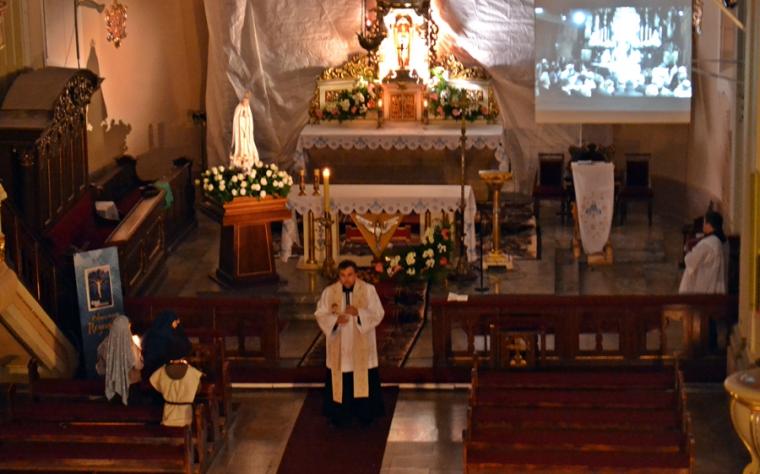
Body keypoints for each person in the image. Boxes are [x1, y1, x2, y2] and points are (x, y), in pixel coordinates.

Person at [315, 260, 385, 426]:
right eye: (342, 275)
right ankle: (340, 416)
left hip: (361, 346)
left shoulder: (368, 290)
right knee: (341, 379)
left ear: (356, 274)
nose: (346, 279)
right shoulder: (329, 292)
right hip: (340, 346)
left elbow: (378, 312)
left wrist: (359, 313)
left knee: (364, 378)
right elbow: (320, 314)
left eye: (350, 275)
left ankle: (365, 415)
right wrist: (335, 320)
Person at [149, 341, 203, 427]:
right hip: (186, 417)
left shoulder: (161, 371)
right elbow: (198, 389)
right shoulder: (192, 373)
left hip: (168, 416)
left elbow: (154, 384)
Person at [96, 315, 143, 405]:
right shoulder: (130, 344)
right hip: (131, 386)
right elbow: (138, 365)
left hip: (112, 386)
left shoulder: (104, 344)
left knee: (115, 409)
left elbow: (100, 368)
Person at [679, 211, 727, 294]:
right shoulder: (722, 241)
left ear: (709, 225)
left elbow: (690, 260)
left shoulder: (708, 243)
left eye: (704, 223)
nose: (703, 225)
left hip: (703, 288)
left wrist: (688, 250)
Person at [141, 310, 192, 382]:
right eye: (175, 322)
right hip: (161, 374)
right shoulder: (166, 335)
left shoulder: (152, 333)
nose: (176, 325)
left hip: (156, 373)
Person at [230, 91, 260, 170]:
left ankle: (247, 157)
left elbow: (250, 123)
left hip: (247, 134)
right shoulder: (238, 109)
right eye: (245, 102)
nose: (246, 104)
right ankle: (240, 156)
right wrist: (242, 118)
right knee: (240, 145)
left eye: (248, 102)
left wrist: (246, 119)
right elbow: (236, 120)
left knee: (247, 145)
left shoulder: (248, 110)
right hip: (240, 132)